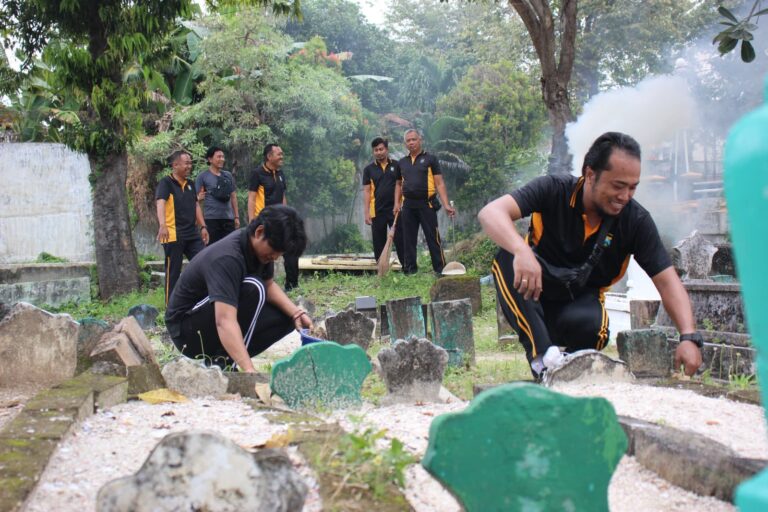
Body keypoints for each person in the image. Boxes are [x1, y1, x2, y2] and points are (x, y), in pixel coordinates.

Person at [478, 132, 703, 378]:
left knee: (595, 328)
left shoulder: (636, 221)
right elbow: (491, 213)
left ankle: (572, 372)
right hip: (533, 295)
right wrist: (522, 250)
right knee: (507, 258)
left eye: (632, 187)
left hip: (579, 304)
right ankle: (543, 360)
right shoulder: (554, 190)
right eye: (618, 186)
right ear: (590, 174)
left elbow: (667, 280)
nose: (625, 196)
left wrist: (689, 336)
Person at [165, 205, 311, 371]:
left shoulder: (259, 253)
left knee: (287, 318)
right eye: (274, 250)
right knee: (254, 287)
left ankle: (222, 361)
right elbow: (224, 320)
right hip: (186, 331)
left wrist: (296, 313)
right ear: (259, 232)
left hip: (212, 320)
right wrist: (250, 371)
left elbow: (269, 284)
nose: (275, 257)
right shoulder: (228, 257)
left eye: (280, 253)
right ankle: (225, 364)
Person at [394, 129, 456, 275]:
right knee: (408, 240)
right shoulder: (401, 163)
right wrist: (397, 203)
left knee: (432, 238)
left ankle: (440, 270)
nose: (411, 143)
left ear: (420, 140)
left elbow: (439, 183)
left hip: (426, 204)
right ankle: (410, 270)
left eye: (413, 139)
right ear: (405, 143)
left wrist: (446, 204)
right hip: (408, 206)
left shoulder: (430, 159)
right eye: (408, 140)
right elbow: (398, 184)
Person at [156, 150, 209, 305]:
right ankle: (170, 308)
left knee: (205, 262)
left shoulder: (191, 184)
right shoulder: (166, 183)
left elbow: (196, 206)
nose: (189, 166)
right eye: (186, 163)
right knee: (173, 273)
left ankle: (203, 300)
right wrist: (162, 225)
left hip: (192, 233)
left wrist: (203, 226)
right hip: (173, 234)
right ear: (175, 165)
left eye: (190, 163)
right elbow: (160, 203)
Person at [248, 144, 300, 291]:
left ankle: (292, 284)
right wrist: (253, 220)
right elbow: (251, 198)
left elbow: (283, 196)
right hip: (264, 220)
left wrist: (287, 214)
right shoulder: (257, 173)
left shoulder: (280, 173)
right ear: (269, 156)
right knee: (265, 252)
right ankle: (261, 285)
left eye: (282, 153)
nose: (282, 156)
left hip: (281, 219)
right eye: (279, 154)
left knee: (290, 248)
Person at [363, 137, 404, 264]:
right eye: (376, 150)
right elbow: (367, 191)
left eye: (381, 149)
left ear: (386, 149)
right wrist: (366, 213)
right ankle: (381, 268)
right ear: (373, 152)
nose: (379, 152)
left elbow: (401, 184)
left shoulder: (397, 165)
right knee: (378, 241)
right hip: (377, 210)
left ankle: (406, 267)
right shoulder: (368, 169)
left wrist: (400, 204)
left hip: (395, 210)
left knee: (400, 239)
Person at [195, 146, 240, 244]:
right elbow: (195, 200)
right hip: (211, 220)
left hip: (228, 219)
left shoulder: (228, 175)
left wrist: (236, 217)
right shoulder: (202, 176)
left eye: (223, 157)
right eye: (219, 157)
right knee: (212, 248)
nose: (222, 159)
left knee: (229, 247)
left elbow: (233, 196)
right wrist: (199, 198)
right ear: (210, 159)